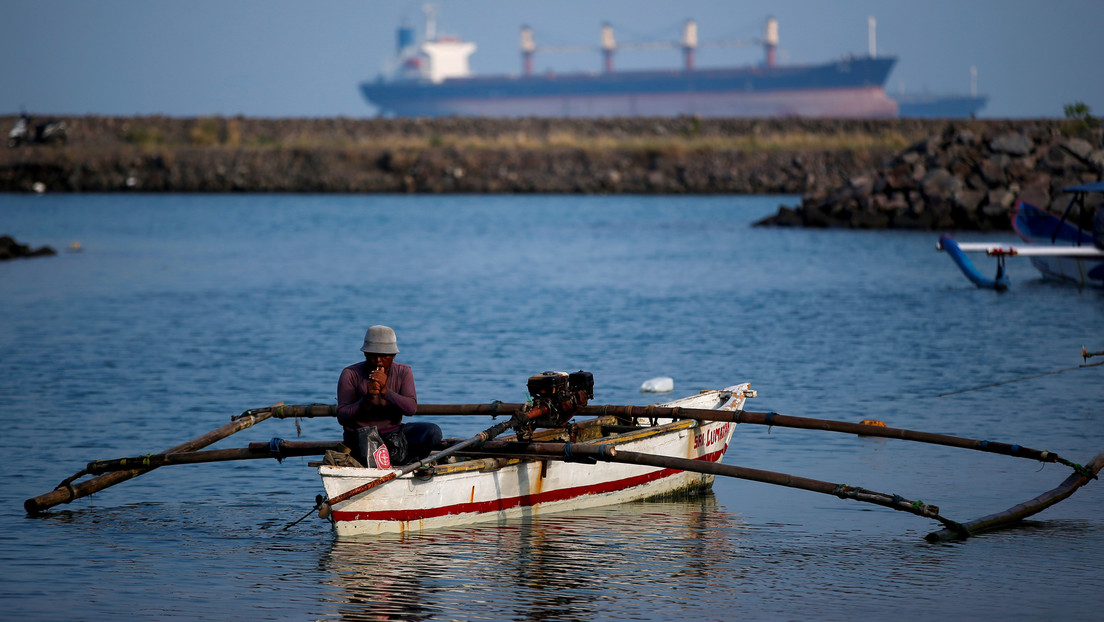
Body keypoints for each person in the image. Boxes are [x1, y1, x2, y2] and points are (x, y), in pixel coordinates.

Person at [336, 325, 442, 466]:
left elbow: (410, 409)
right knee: (358, 441)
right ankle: (383, 462)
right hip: (360, 436)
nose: (378, 360)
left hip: (394, 435)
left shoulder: (403, 372)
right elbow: (342, 416)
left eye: (384, 355)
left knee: (432, 431)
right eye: (373, 355)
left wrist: (386, 392)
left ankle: (402, 463)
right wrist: (366, 399)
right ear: (365, 354)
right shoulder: (350, 374)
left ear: (393, 356)